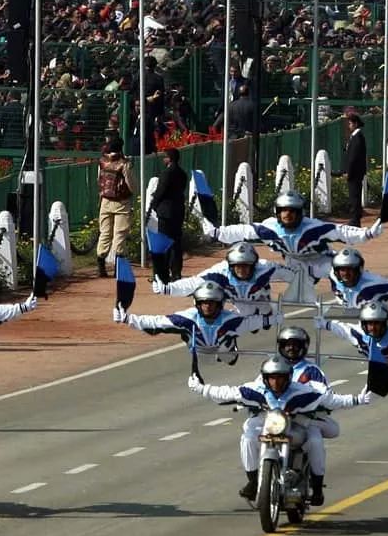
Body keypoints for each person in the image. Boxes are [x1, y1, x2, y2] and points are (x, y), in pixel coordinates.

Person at [187, 354, 372, 506]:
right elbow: (226, 393)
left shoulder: (302, 392)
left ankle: (317, 487)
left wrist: (358, 399)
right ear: (265, 378)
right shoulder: (255, 389)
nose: (276, 382)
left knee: (314, 441)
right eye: (272, 378)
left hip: (295, 427)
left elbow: (331, 400)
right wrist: (201, 388)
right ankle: (253, 481)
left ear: (288, 378)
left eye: (280, 378)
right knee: (248, 436)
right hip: (271, 424)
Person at [201, 190, 384, 292]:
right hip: (293, 264)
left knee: (343, 271)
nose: (288, 214)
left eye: (292, 211)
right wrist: (217, 233)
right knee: (253, 269)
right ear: (277, 212)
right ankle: (256, 305)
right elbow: (242, 231)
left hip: (320, 260)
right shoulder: (269, 228)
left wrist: (368, 234)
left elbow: (341, 231)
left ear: (300, 213)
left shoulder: (313, 228)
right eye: (284, 210)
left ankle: (352, 296)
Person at [114, 280, 279, 375]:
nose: (207, 306)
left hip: (224, 350)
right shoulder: (188, 318)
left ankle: (229, 345)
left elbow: (253, 322)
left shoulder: (230, 320)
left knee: (227, 355)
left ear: (219, 304)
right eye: (204, 303)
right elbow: (157, 322)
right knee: (204, 360)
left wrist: (274, 317)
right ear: (197, 304)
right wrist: (128, 319)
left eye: (211, 303)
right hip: (198, 350)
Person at [152, 241, 296, 327]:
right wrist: (168, 288)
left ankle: (265, 313)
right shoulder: (220, 271)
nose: (242, 270)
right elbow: (193, 283)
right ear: (230, 265)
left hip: (260, 300)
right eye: (237, 266)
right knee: (239, 321)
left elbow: (293, 275)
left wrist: (309, 275)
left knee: (267, 316)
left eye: (246, 265)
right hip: (238, 303)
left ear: (254, 264)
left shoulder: (266, 267)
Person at [96, 138, 136, 278]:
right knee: (120, 233)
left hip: (105, 200)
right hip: (121, 202)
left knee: (105, 233)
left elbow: (98, 180)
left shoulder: (102, 161)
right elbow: (130, 183)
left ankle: (101, 262)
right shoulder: (123, 164)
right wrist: (133, 192)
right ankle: (117, 267)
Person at [149, 148, 188, 282]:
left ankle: (162, 273)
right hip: (178, 210)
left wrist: (154, 204)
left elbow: (161, 191)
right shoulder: (182, 173)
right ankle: (176, 272)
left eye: (165, 157)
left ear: (169, 159)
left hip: (166, 212)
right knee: (176, 243)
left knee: (164, 242)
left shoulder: (166, 173)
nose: (163, 159)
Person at [343, 113, 368, 225]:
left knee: (355, 195)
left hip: (355, 173)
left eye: (350, 123)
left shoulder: (358, 138)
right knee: (354, 195)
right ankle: (355, 217)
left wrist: (349, 171)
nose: (349, 125)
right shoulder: (355, 137)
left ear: (355, 124)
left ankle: (355, 218)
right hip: (356, 172)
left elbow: (353, 158)